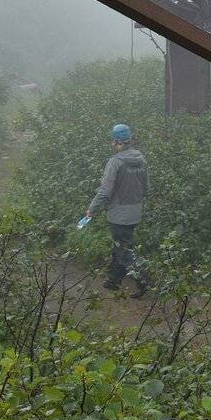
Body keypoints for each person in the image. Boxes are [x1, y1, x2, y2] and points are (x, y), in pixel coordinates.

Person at [86, 123, 150, 296]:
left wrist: (92, 208)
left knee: (123, 249)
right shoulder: (141, 159)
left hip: (119, 214)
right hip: (135, 211)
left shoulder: (115, 162)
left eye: (113, 141)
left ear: (118, 142)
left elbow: (106, 190)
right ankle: (113, 280)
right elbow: (145, 187)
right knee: (121, 245)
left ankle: (144, 280)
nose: (112, 144)